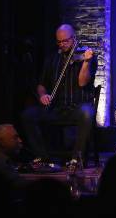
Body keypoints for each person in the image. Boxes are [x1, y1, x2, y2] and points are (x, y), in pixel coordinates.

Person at [21, 24, 97, 169]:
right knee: (28, 115)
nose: (62, 44)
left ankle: (76, 159)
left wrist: (86, 62)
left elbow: (82, 83)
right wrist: (43, 95)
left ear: (74, 39)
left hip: (77, 107)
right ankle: (43, 157)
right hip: (56, 108)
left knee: (87, 112)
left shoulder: (87, 56)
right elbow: (41, 84)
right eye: (59, 42)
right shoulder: (52, 59)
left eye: (65, 41)